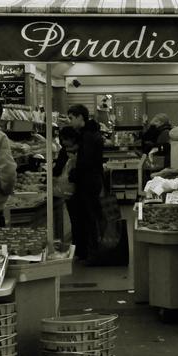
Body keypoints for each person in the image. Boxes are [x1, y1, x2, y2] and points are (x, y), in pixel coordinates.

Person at [65, 104, 106, 261]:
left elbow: (86, 162)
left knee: (87, 218)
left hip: (87, 183)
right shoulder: (92, 133)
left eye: (71, 118)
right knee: (91, 217)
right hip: (93, 182)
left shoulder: (87, 136)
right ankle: (90, 251)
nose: (69, 121)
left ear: (80, 117)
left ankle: (90, 252)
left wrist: (74, 174)